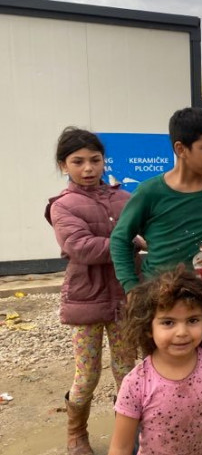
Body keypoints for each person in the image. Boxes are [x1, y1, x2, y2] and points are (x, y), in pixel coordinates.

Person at [46, 127, 136, 455]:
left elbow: (150, 232)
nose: (88, 168)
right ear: (63, 166)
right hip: (86, 299)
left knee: (127, 372)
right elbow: (80, 247)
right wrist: (130, 243)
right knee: (87, 376)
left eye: (95, 160)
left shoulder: (126, 198)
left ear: (103, 161)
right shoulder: (62, 205)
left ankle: (127, 435)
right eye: (78, 161)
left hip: (126, 298)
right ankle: (76, 434)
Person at [108, 269, 202, 455]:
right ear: (148, 327)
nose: (182, 332)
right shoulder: (136, 383)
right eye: (168, 322)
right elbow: (121, 447)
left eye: (192, 320)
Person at [110, 107, 202, 291]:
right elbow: (120, 239)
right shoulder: (149, 193)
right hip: (160, 296)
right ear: (181, 149)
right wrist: (131, 288)